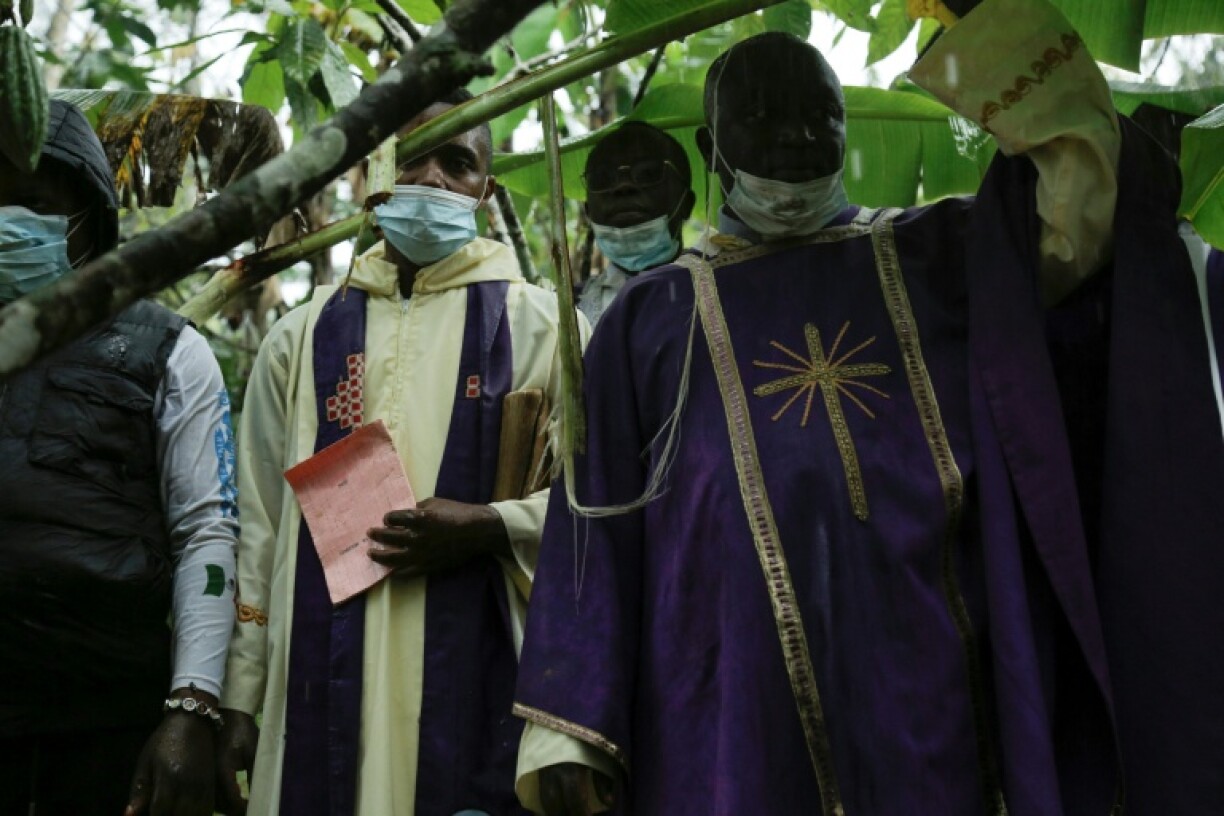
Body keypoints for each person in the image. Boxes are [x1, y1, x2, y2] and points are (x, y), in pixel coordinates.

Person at [513, 0, 1224, 813]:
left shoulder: (938, 254)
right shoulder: (650, 313)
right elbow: (593, 524)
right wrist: (568, 728)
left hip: (938, 679)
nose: (794, 133)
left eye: (818, 113)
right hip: (727, 696)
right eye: (761, 115)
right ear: (711, 147)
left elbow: (1083, 202)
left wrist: (985, 21)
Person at [216, 89, 590, 816]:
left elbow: (604, 510)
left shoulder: (547, 327)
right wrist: (239, 695)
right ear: (373, 173)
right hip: (313, 688)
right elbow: (257, 530)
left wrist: (494, 526)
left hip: (485, 682)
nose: (432, 181)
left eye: (456, 162)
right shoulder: (301, 337)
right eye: (410, 158)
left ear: (486, 187)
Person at [0, 100, 239, 815]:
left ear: (85, 217)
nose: (7, 218)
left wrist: (192, 709)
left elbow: (207, 531)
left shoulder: (165, 347)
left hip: (106, 717)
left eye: (33, 202)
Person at [578, 122, 695, 328]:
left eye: (648, 173)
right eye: (603, 179)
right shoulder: (566, 310)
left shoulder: (726, 291)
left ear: (686, 203)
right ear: (588, 212)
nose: (624, 186)